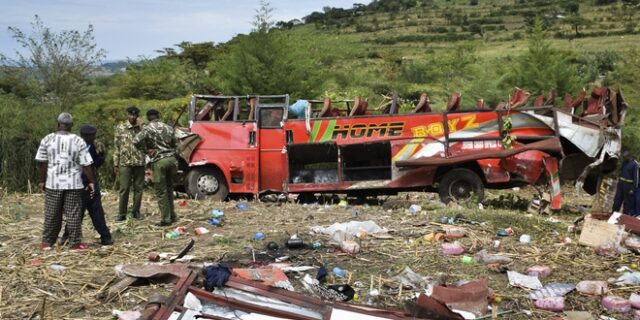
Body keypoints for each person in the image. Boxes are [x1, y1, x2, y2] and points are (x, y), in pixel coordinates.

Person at [36, 112, 95, 251]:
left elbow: (42, 163)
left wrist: (42, 180)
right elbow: (86, 164)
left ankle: (47, 242)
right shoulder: (78, 140)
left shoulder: (47, 139)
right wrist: (91, 181)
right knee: (73, 214)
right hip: (73, 184)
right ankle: (75, 243)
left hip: (53, 183)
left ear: (58, 124)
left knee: (52, 213)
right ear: (71, 126)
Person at [60, 125, 113, 246]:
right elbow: (95, 164)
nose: (94, 137)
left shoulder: (73, 146)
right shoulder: (89, 147)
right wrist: (102, 155)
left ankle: (66, 236)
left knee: (76, 213)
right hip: (87, 184)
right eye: (92, 135)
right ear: (87, 136)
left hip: (75, 184)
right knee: (96, 211)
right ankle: (105, 237)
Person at [133, 109, 178, 226]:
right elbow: (176, 143)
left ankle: (166, 219)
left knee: (161, 191)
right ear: (158, 116)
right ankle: (172, 215)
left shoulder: (147, 128)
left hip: (160, 162)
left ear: (148, 118)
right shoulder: (168, 127)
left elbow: (135, 140)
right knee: (169, 188)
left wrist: (146, 150)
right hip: (172, 160)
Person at [113, 106, 146, 221]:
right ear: (127, 115)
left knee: (138, 189)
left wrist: (142, 127)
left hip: (139, 162)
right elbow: (117, 146)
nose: (133, 117)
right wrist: (116, 163)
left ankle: (136, 212)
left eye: (135, 115)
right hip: (125, 163)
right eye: (131, 115)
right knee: (124, 188)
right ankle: (122, 213)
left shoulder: (142, 128)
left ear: (138, 116)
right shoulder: (121, 128)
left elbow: (147, 142)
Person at [613, 150, 638, 215]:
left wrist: (633, 189)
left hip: (628, 186)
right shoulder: (624, 162)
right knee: (617, 199)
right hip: (621, 184)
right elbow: (621, 172)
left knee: (627, 202)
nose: (624, 158)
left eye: (625, 157)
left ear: (629, 156)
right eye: (623, 157)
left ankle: (624, 216)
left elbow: (636, 178)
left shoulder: (635, 164)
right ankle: (614, 214)